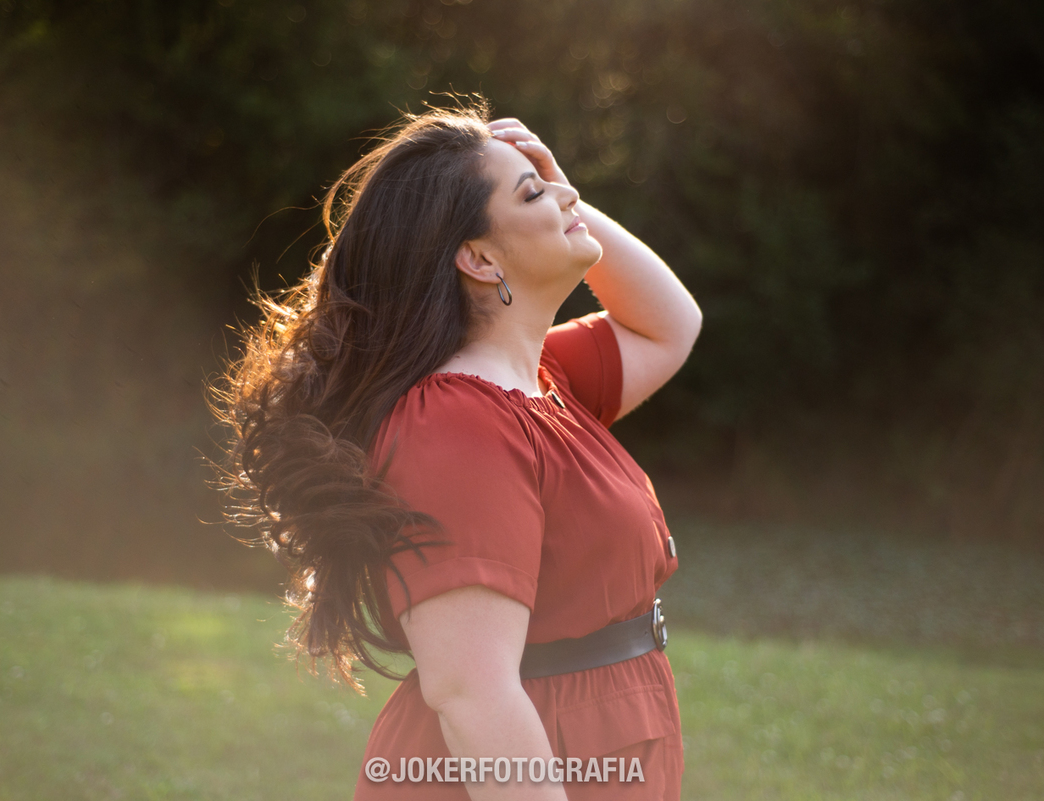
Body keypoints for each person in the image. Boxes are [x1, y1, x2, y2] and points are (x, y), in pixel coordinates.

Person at [215, 101, 701, 800]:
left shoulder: (542, 381)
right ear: (477, 257)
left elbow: (671, 326)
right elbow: (472, 692)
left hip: (604, 743)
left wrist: (564, 196)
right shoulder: (455, 424)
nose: (566, 193)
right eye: (532, 190)